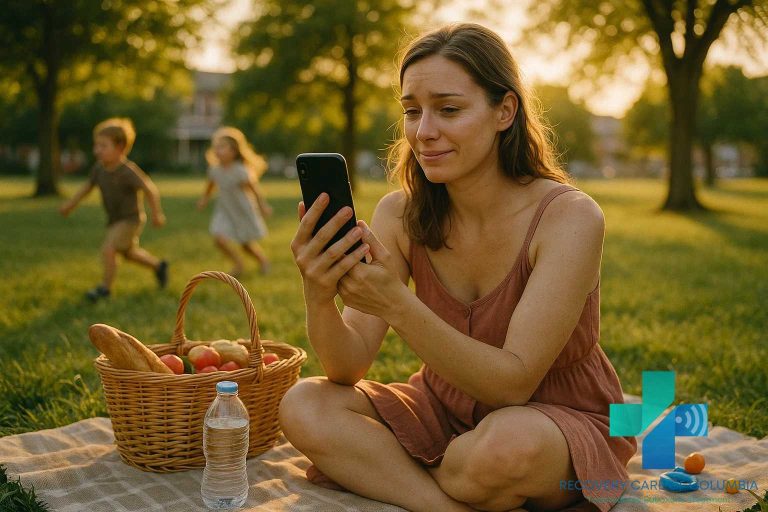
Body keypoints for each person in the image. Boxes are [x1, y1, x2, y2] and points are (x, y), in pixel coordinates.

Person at [281, 23, 637, 512]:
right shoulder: (400, 214)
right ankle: (446, 503)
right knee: (304, 403)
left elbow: (512, 385)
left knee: (507, 447)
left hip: (552, 420)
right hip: (443, 409)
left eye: (448, 109)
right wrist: (318, 293)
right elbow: (347, 367)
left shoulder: (569, 217)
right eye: (412, 111)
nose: (424, 131)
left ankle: (419, 477)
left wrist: (397, 304)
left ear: (504, 111)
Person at [59, 118, 168, 301]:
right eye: (96, 145)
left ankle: (105, 289)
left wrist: (157, 213)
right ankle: (159, 266)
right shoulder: (99, 169)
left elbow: (149, 189)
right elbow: (86, 188)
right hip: (115, 220)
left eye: (103, 146)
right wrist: (70, 205)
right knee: (129, 253)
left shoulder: (127, 171)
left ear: (120, 147)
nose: (97, 150)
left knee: (109, 248)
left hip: (131, 219)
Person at [197, 127, 272, 277]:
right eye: (216, 147)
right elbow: (210, 186)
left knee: (245, 244)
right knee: (219, 239)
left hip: (241, 210)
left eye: (222, 147)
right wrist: (204, 199)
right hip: (224, 210)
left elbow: (254, 189)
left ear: (234, 151)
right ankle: (238, 264)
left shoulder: (240, 171)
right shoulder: (215, 170)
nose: (217, 150)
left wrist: (262, 205)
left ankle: (263, 261)